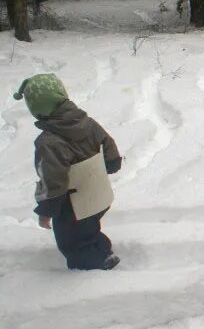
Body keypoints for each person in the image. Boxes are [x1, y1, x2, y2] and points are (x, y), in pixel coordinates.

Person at [13, 73, 122, 270]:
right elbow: (109, 147)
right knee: (88, 227)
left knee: (72, 239)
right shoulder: (86, 122)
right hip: (98, 194)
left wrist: (47, 210)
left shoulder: (49, 142)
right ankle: (102, 249)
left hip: (74, 205)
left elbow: (53, 180)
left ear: (36, 109)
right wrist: (111, 163)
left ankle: (95, 266)